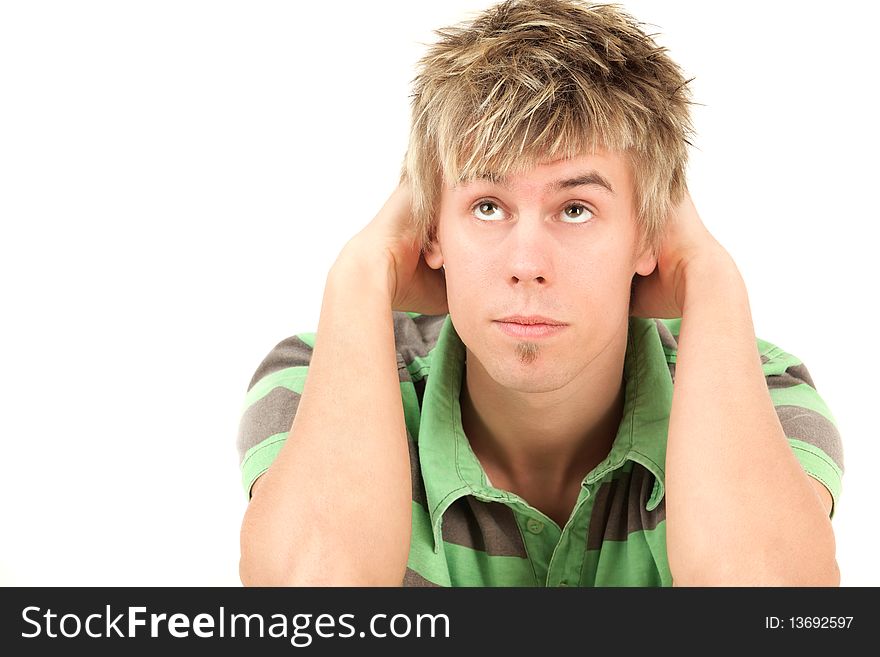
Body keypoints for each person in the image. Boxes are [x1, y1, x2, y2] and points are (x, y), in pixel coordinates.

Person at [236, 0, 843, 586]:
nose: (527, 265)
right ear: (430, 232)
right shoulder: (319, 374)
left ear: (648, 236)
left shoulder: (760, 388)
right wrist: (361, 271)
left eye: (576, 209)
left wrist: (709, 276)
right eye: (487, 206)